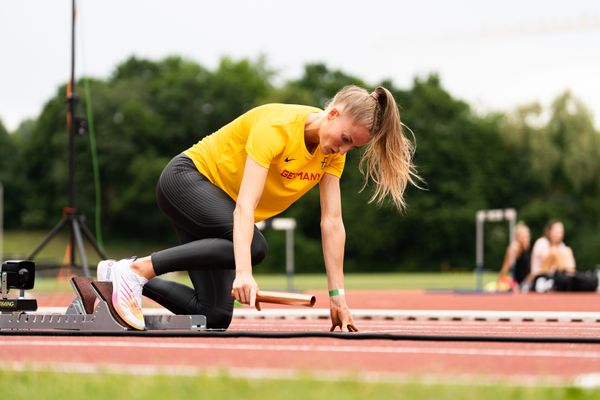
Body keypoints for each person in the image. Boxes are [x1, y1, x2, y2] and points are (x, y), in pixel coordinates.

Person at [98, 85, 419, 331]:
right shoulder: (277, 128)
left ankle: (117, 275)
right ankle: (137, 270)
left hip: (220, 210)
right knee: (255, 246)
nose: (343, 148)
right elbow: (244, 207)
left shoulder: (332, 154)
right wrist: (244, 274)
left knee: (214, 316)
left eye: (353, 146)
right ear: (333, 113)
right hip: (186, 181)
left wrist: (338, 295)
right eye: (346, 138)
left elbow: (332, 222)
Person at [524, 220, 598, 292]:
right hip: (540, 277)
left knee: (587, 279)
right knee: (563, 278)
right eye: (557, 231)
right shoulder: (542, 243)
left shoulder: (562, 246)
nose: (559, 234)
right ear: (549, 231)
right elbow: (545, 267)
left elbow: (570, 268)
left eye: (561, 232)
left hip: (559, 277)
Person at [496, 222, 531, 292]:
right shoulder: (515, 248)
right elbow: (505, 268)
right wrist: (512, 283)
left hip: (527, 282)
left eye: (526, 236)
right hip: (519, 284)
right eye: (522, 236)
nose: (524, 238)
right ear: (516, 236)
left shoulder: (526, 248)